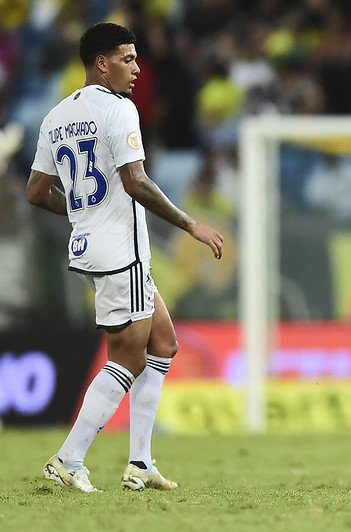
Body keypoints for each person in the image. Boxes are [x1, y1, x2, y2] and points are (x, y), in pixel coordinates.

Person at [26, 22, 224, 492]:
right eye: (128, 59)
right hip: (121, 250)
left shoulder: (56, 115)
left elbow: (36, 191)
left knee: (164, 345)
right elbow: (135, 181)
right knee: (127, 358)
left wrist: (79, 214)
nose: (137, 69)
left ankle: (140, 462)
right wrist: (190, 223)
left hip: (92, 245)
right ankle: (69, 459)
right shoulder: (119, 109)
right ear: (102, 62)